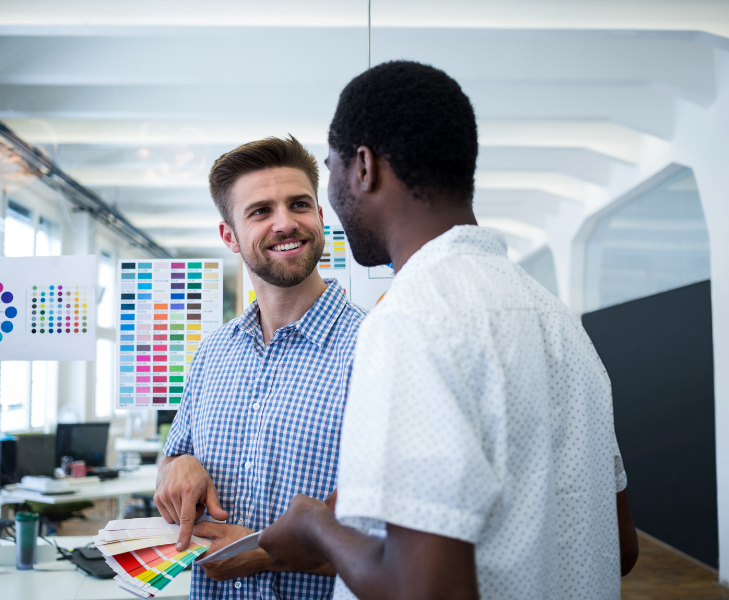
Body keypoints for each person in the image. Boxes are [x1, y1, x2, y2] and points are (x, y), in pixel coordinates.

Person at [259, 61, 639, 600]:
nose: (333, 201)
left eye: (333, 170)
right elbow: (620, 549)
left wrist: (315, 528)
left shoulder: (411, 318)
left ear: (363, 167)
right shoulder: (561, 324)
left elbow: (428, 590)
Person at [155, 135, 365, 599]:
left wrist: (269, 551)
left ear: (321, 218)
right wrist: (177, 466)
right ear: (229, 236)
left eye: (299, 205)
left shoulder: (374, 348)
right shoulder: (212, 354)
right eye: (260, 211)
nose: (285, 224)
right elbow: (170, 461)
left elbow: (396, 529)